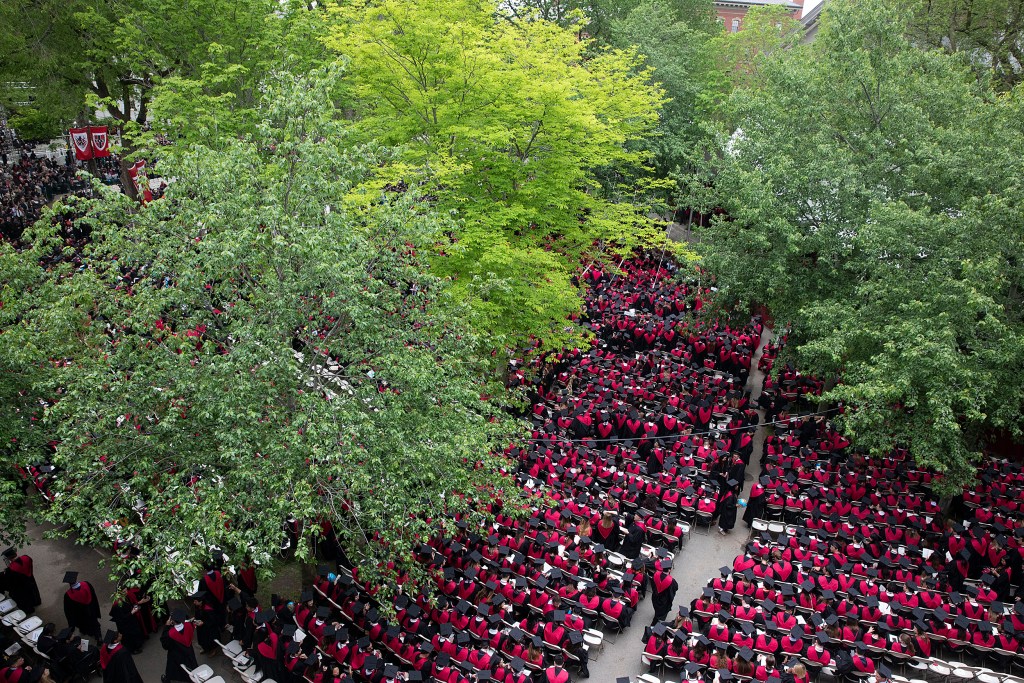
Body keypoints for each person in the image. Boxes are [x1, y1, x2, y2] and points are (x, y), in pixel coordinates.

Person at [160, 608, 200, 682]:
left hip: (176, 654)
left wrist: (166, 626)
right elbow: (190, 625)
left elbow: (165, 646)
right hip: (189, 651)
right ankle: (194, 678)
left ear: (173, 621)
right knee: (191, 664)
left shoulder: (170, 633)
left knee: (173, 667)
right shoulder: (189, 625)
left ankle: (168, 679)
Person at [63, 571, 102, 639]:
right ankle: (99, 637)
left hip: (81, 616)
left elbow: (69, 612)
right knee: (94, 624)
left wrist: (71, 626)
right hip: (91, 611)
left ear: (69, 583)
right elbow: (94, 597)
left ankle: (86, 632)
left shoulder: (68, 595)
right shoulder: (87, 584)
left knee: (85, 626)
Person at [2, 548, 41, 613]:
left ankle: (29, 610)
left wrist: (7, 571)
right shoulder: (26, 557)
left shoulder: (10, 570)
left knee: (19, 595)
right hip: (30, 579)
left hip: (21, 585)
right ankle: (37, 602)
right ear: (16, 553)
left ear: (8, 558)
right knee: (33, 590)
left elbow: (11, 582)